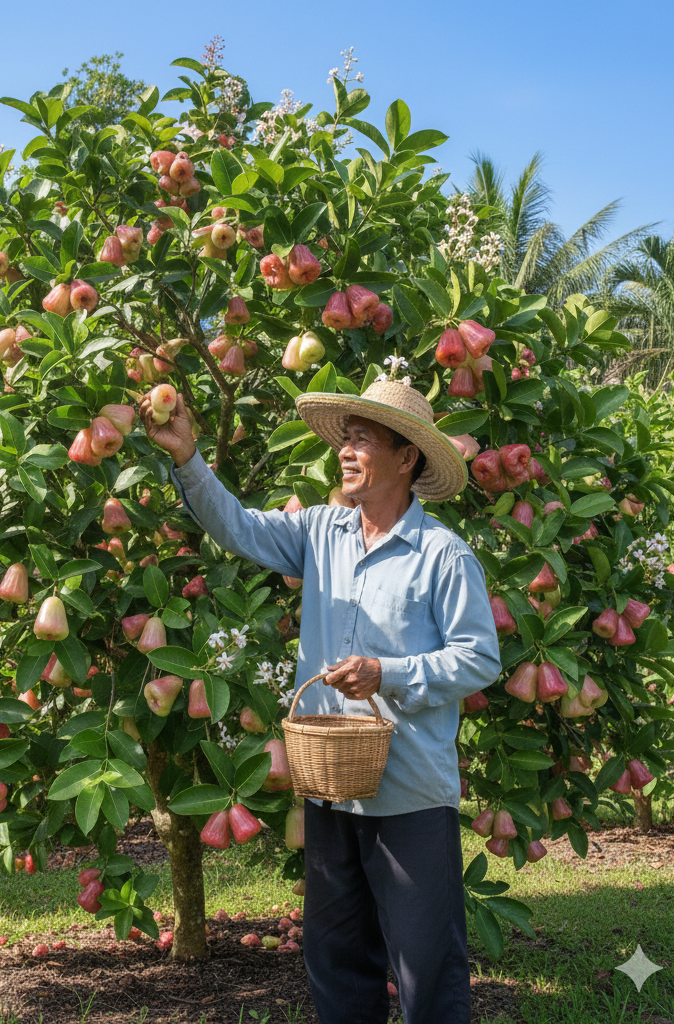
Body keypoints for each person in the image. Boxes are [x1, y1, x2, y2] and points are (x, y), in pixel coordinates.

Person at [140, 377, 501, 1024]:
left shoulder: (442, 555)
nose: (345, 451)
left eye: (363, 440)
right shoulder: (319, 532)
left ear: (406, 457)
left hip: (410, 795)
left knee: (426, 969)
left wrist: (388, 673)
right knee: (335, 961)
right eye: (345, 438)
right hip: (330, 791)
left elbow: (479, 658)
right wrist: (187, 456)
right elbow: (238, 527)